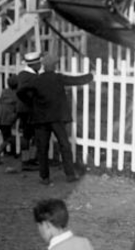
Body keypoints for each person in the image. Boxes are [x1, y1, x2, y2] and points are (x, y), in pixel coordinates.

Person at [18, 53, 93, 185]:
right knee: (64, 145)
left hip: (40, 119)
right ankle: (70, 174)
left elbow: (20, 92)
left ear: (43, 66)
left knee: (42, 148)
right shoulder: (58, 78)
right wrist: (91, 75)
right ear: (54, 66)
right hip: (57, 118)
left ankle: (44, 177)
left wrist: (31, 102)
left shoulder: (36, 80)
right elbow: (76, 80)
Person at [0, 74, 19, 164]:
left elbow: (0, 101)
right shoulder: (16, 94)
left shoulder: (5, 92)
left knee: (6, 136)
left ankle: (12, 151)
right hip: (7, 118)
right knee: (8, 138)